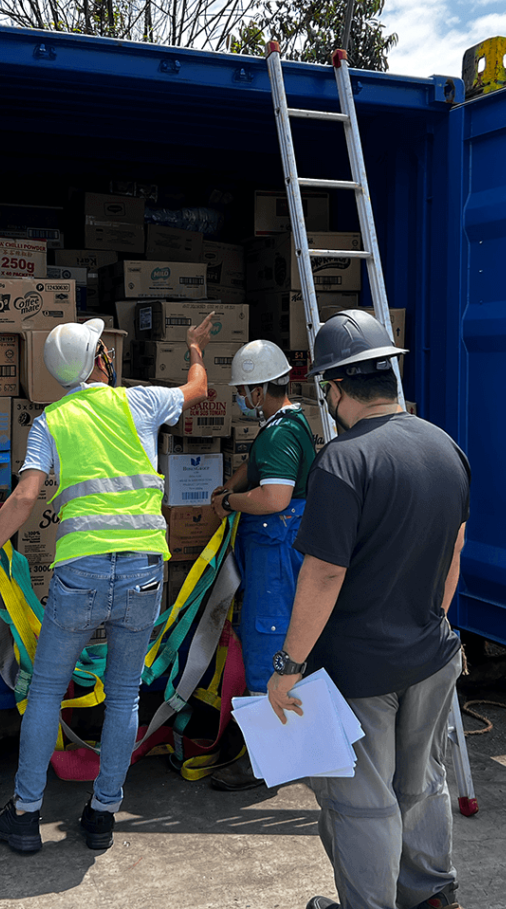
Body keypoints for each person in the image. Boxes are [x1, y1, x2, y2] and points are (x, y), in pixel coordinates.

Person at [0, 311, 216, 854]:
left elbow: (25, 497)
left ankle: (25, 816)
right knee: (125, 698)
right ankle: (102, 815)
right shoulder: (141, 402)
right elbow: (199, 389)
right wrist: (195, 348)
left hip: (79, 575)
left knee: (47, 695)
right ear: (102, 360)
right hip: (144, 572)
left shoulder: (51, 421)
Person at [266, 310, 471, 909]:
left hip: (361, 671)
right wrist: (428, 623)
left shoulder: (342, 461)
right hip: (432, 656)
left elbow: (325, 573)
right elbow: (455, 549)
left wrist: (287, 666)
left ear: (333, 389)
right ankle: (432, 895)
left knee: (361, 801)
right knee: (423, 781)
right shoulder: (444, 446)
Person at [207, 339, 316, 791]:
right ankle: (277, 750)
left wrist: (229, 502)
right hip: (272, 550)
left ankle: (266, 761)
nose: (240, 398)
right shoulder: (283, 426)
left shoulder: (281, 432)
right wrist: (227, 492)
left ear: (259, 389)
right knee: (267, 641)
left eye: (244, 389)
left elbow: (274, 497)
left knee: (266, 646)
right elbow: (255, 470)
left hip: (276, 554)